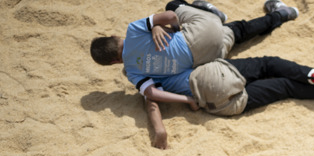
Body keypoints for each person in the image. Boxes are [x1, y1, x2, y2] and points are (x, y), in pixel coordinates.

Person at [144, 57, 314, 148]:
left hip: (224, 106)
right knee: (267, 65)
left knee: (284, 87)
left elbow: (151, 101)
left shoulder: (143, 80)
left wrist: (160, 130)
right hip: (216, 77)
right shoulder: (157, 58)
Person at [89, 0, 299, 97]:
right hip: (201, 32)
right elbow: (172, 17)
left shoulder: (134, 73)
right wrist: (163, 28)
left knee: (237, 31)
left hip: (208, 61)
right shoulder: (133, 30)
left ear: (114, 62)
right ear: (115, 36)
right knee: (173, 5)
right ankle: (209, 10)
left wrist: (186, 99)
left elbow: (153, 94)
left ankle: (281, 15)